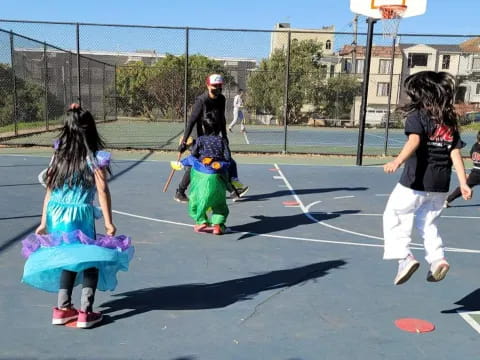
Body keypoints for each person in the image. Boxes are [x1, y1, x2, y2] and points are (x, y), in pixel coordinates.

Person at [21, 104, 134, 328]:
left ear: (67, 129)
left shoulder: (59, 153)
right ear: (90, 130)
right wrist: (109, 222)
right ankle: (85, 311)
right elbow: (102, 189)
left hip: (56, 212)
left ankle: (62, 308)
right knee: (89, 258)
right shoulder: (94, 157)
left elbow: (50, 189)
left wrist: (44, 221)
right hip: (79, 213)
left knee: (66, 256)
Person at [382, 71, 472, 285]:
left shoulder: (418, 116)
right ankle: (437, 259)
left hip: (416, 182)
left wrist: (398, 161)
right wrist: (463, 183)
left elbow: (414, 141)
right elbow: (455, 153)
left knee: (394, 215)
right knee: (428, 224)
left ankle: (404, 258)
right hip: (440, 185)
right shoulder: (448, 120)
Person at [174, 74, 248, 203]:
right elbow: (191, 122)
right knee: (195, 163)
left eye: (219, 86)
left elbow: (222, 118)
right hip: (200, 137)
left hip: (214, 136)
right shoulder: (201, 101)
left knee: (222, 162)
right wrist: (184, 141)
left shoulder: (222, 99)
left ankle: (232, 190)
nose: (217, 89)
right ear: (208, 86)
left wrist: (224, 136)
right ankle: (180, 192)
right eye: (214, 86)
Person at [172, 113, 231, 235]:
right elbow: (227, 158)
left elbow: (193, 155)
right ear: (219, 128)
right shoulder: (222, 141)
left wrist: (186, 152)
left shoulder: (200, 140)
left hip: (201, 176)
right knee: (219, 203)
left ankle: (201, 221)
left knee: (196, 199)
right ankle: (218, 225)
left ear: (204, 128)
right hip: (217, 176)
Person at [444, 130, 480, 207]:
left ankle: (447, 200)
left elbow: (471, 155)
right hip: (477, 171)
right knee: (464, 186)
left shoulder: (475, 146)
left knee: (464, 187)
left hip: (475, 173)